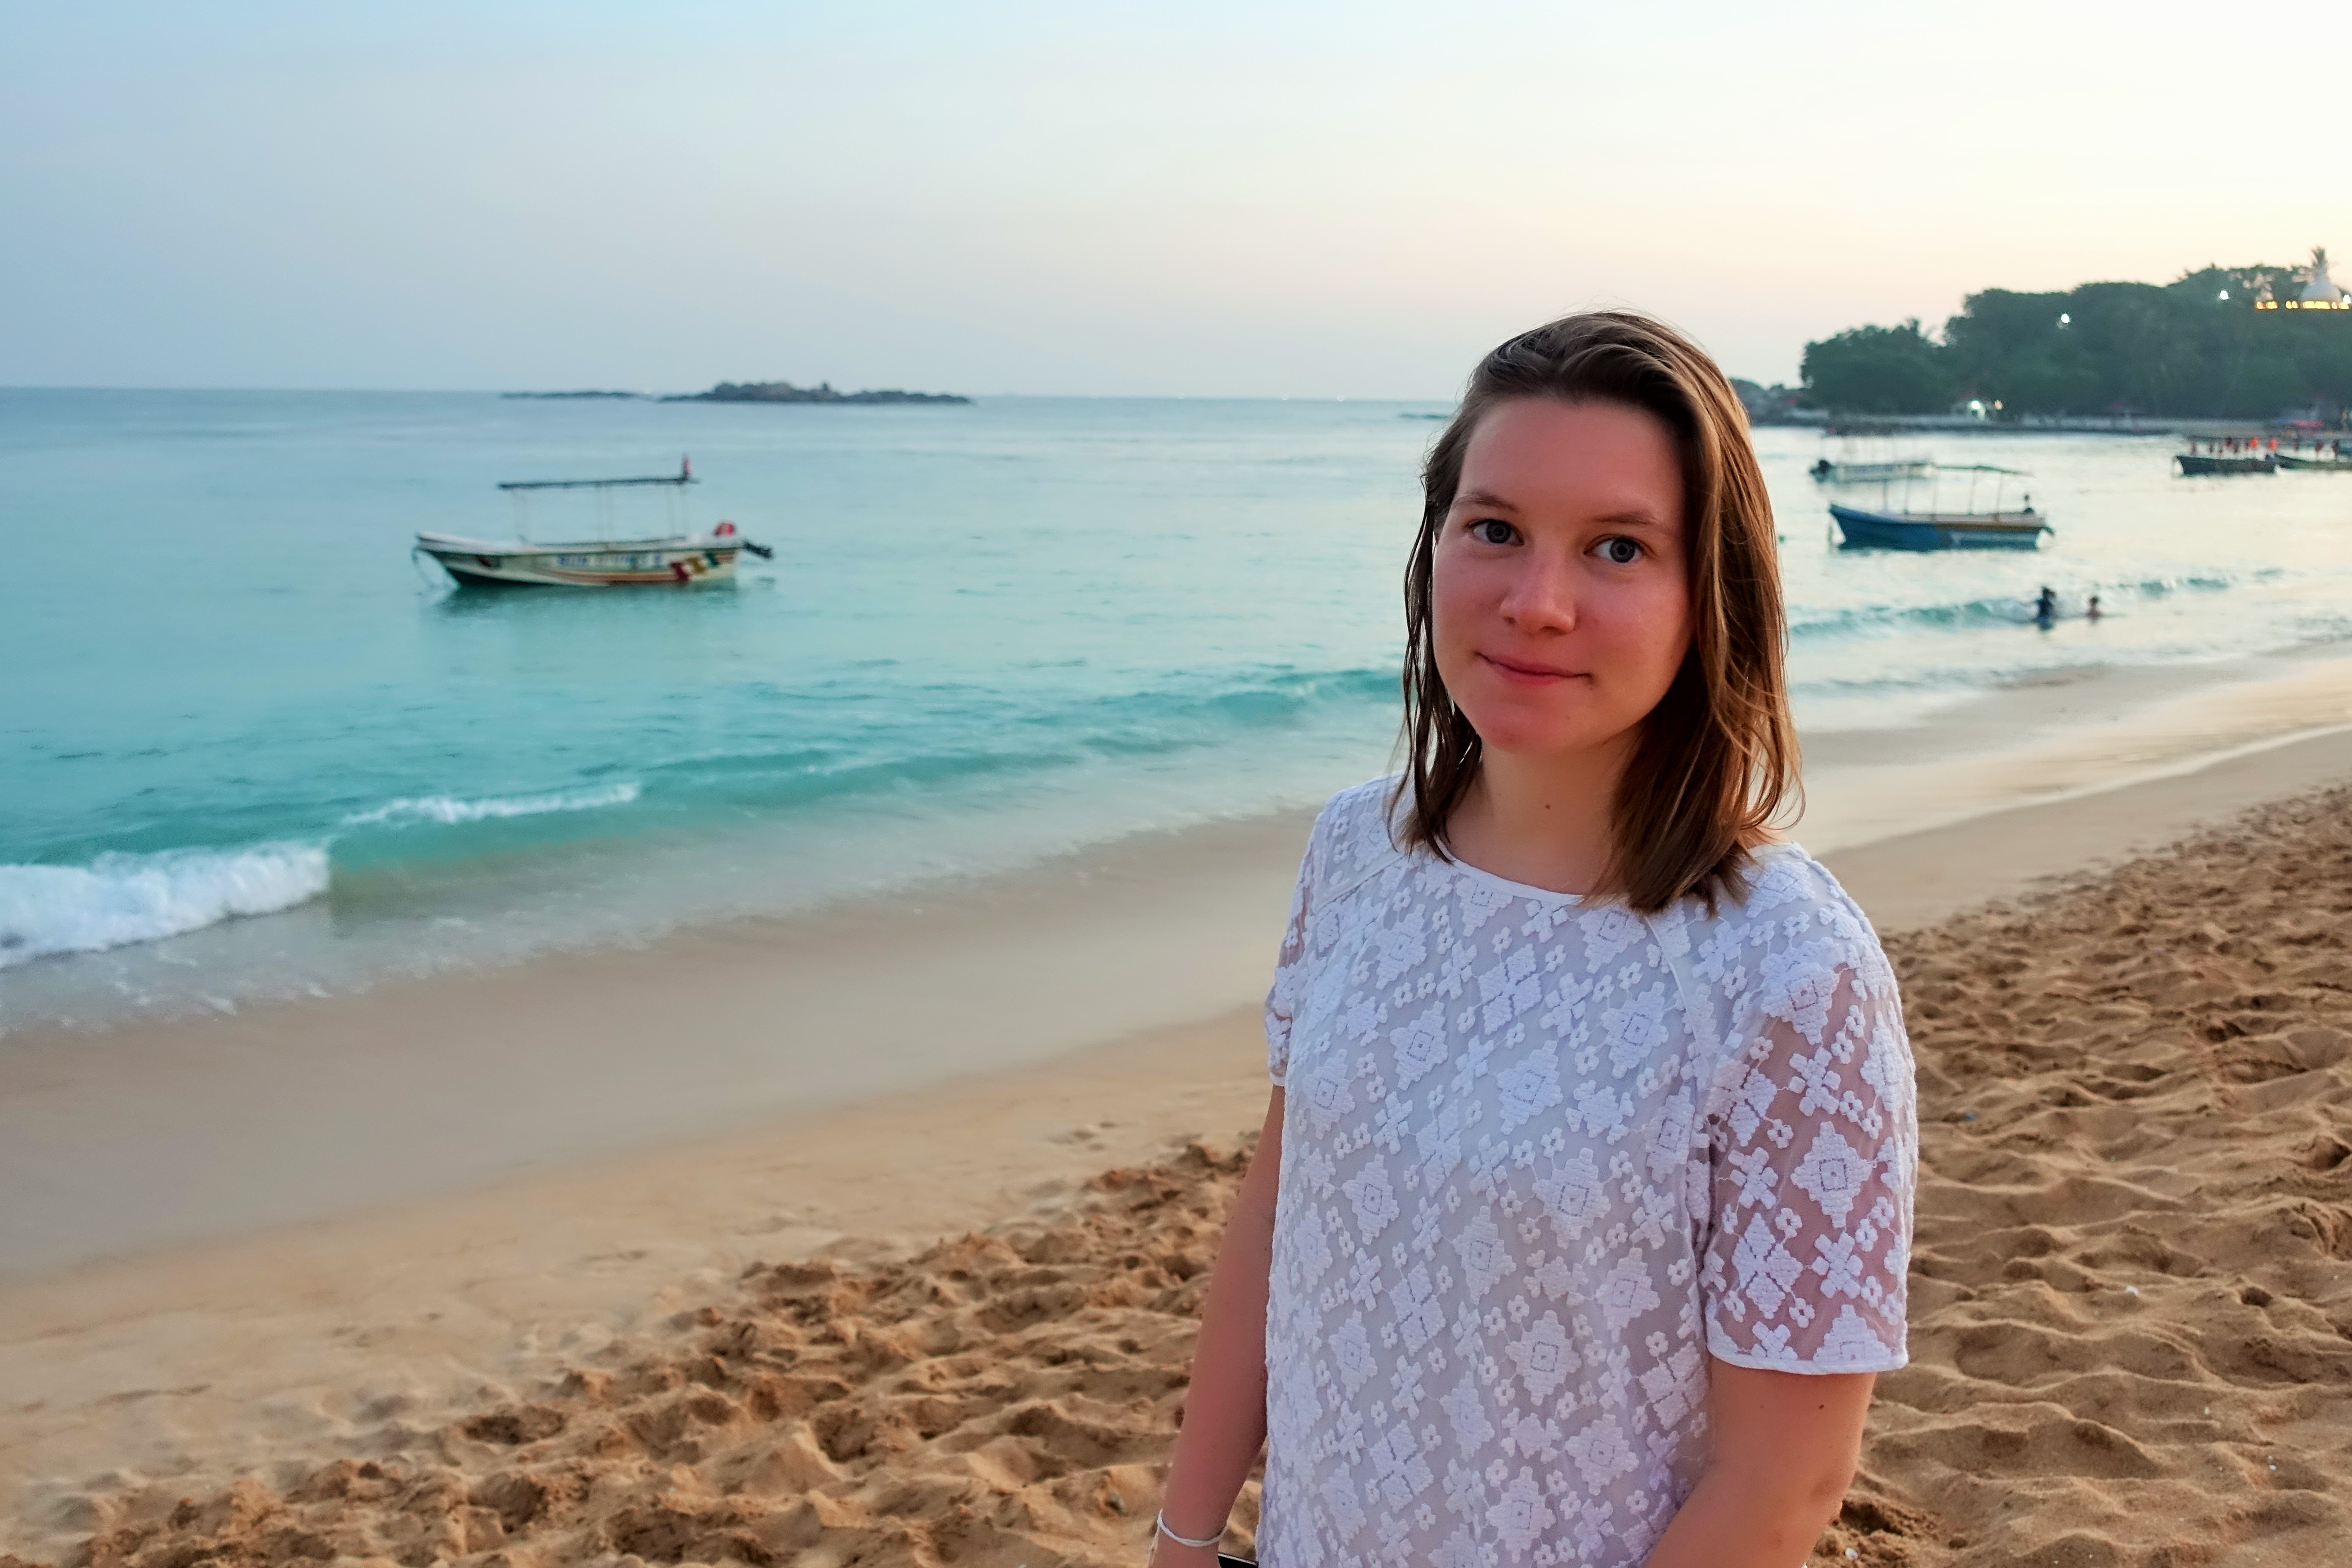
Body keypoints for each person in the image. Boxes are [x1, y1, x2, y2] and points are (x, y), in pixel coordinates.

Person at [1152, 313, 1917, 1568]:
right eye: (1495, 530)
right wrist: (1183, 1537)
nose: (1536, 605)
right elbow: (1279, 1217)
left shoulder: (1786, 969)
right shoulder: (1358, 853)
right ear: (1434, 546)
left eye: (1619, 548)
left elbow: (1784, 1483)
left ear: (1709, 598)